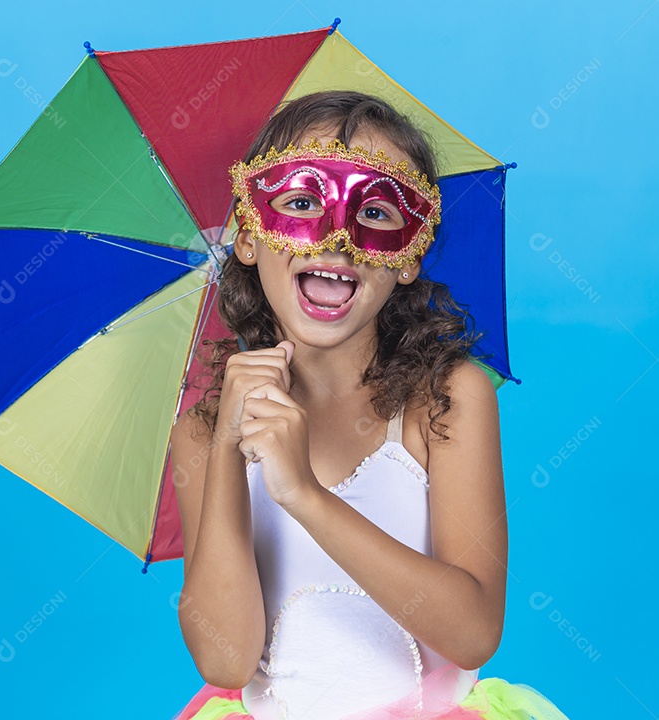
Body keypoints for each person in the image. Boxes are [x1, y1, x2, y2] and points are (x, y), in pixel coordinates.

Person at [168, 91, 570, 720]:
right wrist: (225, 446)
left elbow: (473, 632)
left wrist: (303, 492)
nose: (335, 239)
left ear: (408, 256)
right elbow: (225, 662)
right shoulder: (202, 430)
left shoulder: (444, 400)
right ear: (248, 237)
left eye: (376, 211)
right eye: (300, 203)